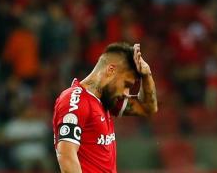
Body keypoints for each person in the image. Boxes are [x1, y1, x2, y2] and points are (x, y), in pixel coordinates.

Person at [53, 42, 158, 173]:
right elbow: (67, 158)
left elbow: (147, 107)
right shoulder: (74, 101)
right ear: (111, 70)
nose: (125, 92)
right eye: (126, 84)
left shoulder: (107, 100)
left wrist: (146, 74)